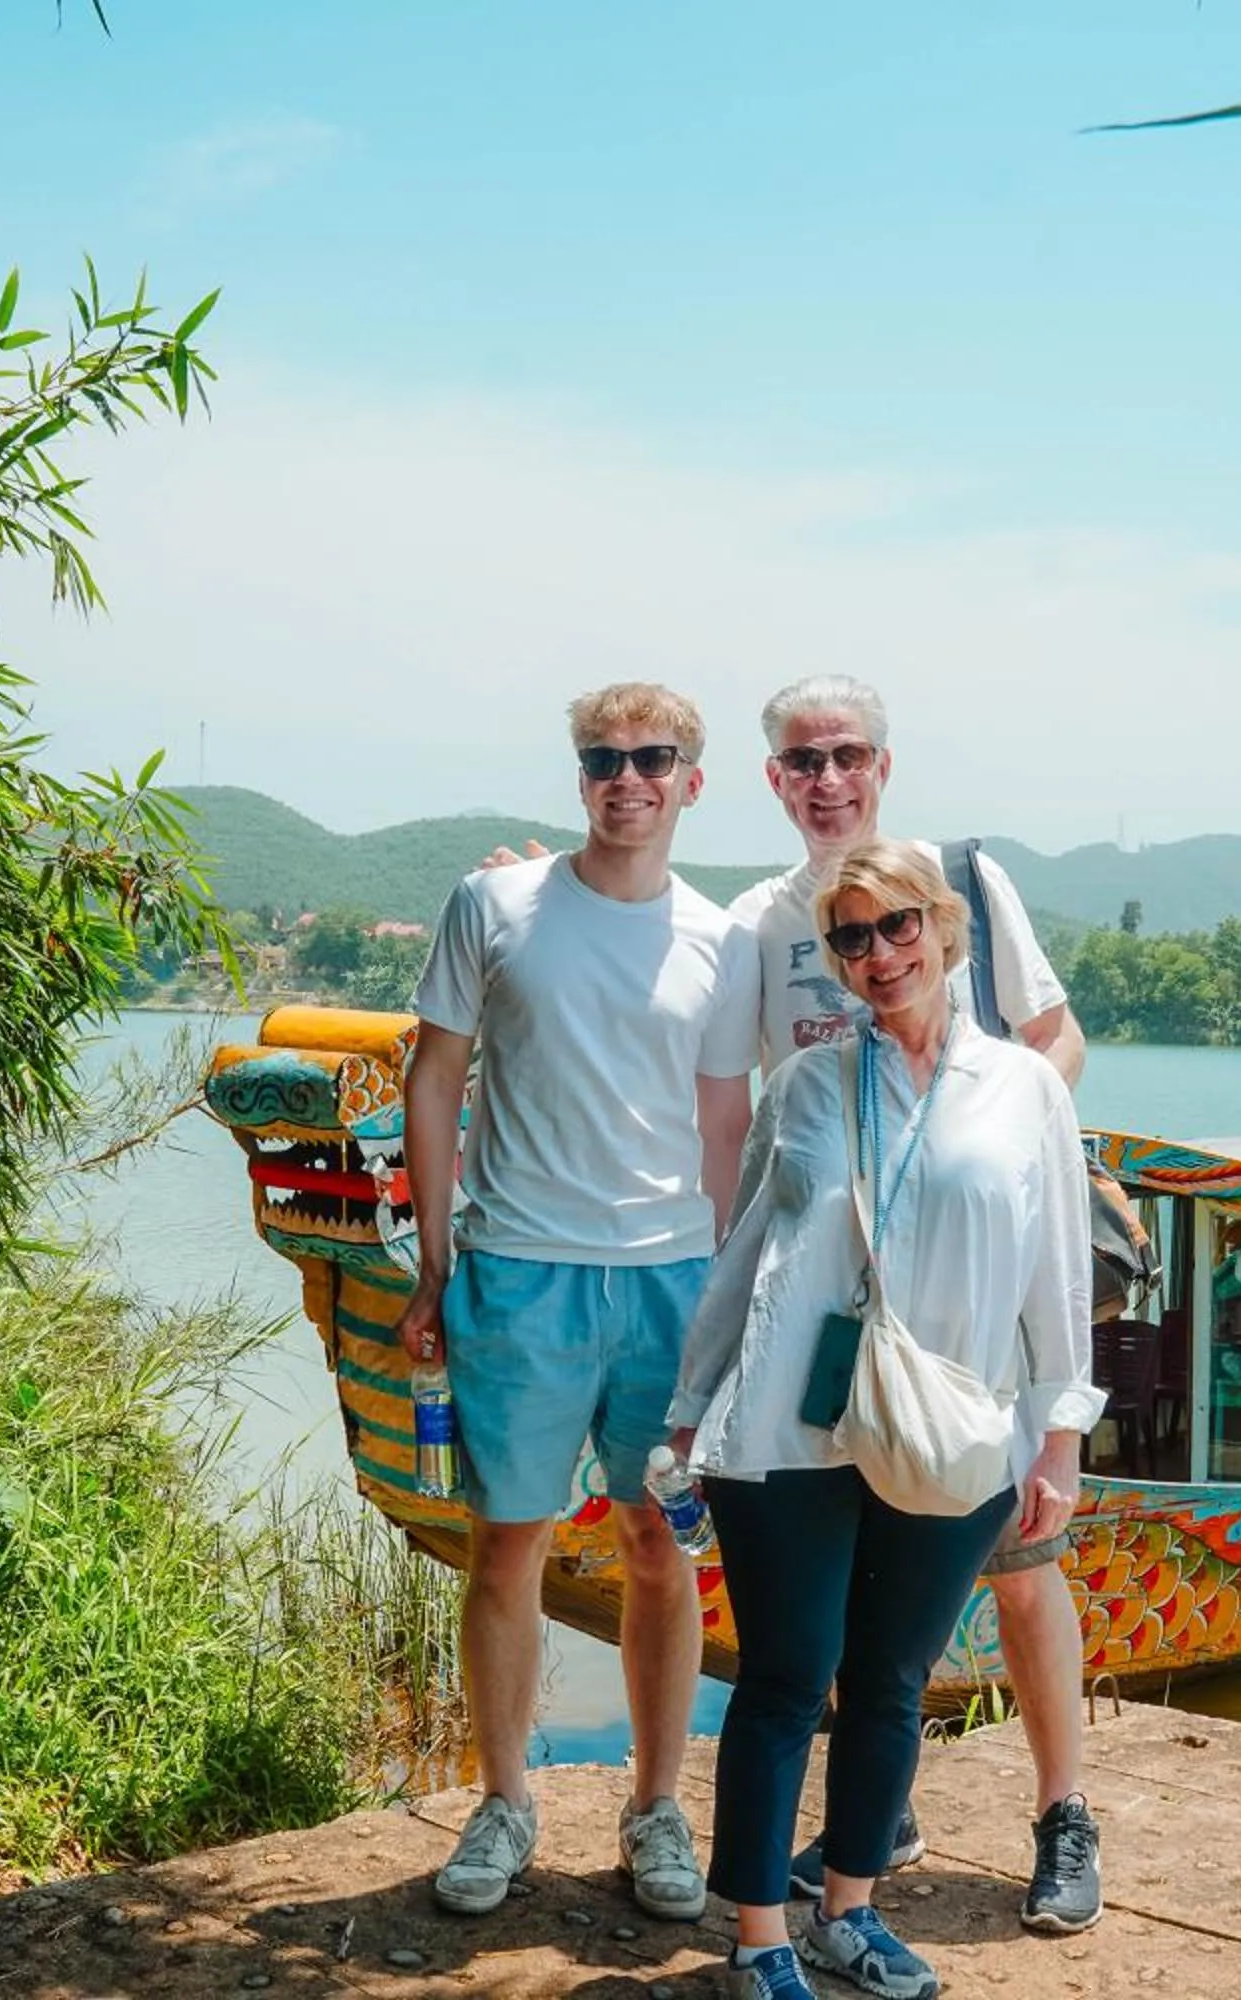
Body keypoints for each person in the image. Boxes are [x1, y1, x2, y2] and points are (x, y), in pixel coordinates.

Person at [669, 839, 1102, 2000]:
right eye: (850, 936)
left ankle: (849, 1911)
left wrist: (1058, 1433)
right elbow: (745, 1256)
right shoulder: (808, 1086)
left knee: (893, 1676)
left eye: (898, 924)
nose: (878, 953)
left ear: (945, 929)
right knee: (786, 1677)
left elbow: (1056, 1270)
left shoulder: (1024, 1089)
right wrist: (686, 1414)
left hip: (952, 1422)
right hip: (791, 1421)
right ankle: (762, 1934)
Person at [397, 683, 758, 1923]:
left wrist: (728, 1305)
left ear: (691, 781)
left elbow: (724, 1124)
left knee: (660, 1544)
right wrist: (436, 1260)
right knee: (511, 1540)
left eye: (653, 758)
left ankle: (658, 1806)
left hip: (667, 1282)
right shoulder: (495, 903)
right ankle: (504, 1800)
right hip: (521, 1273)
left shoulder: (720, 939)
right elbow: (435, 1074)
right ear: (580, 774)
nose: (627, 778)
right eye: (604, 758)